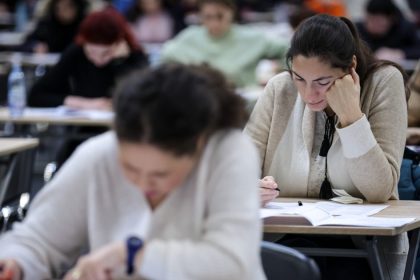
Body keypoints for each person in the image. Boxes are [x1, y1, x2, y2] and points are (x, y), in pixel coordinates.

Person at [0, 63, 265, 280]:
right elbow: (39, 239)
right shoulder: (100, 155)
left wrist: (131, 255)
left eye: (160, 174)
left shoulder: (228, 152)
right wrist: (16, 263)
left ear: (198, 145)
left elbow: (232, 263)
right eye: (129, 168)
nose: (142, 184)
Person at [245, 14, 409, 279]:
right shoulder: (280, 88)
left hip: (363, 248)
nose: (309, 94)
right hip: (284, 240)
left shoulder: (383, 83)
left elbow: (378, 190)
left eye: (323, 82)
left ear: (350, 67)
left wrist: (351, 116)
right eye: (299, 78)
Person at [28, 7, 148, 169]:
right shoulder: (76, 53)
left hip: (123, 136)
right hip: (81, 136)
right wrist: (83, 103)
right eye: (92, 52)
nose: (98, 60)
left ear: (119, 44)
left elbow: (144, 100)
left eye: (106, 53)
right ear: (84, 44)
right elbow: (37, 95)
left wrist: (119, 64)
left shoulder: (133, 57)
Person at [160, 0, 288, 88]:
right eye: (207, 17)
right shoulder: (189, 37)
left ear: (231, 13)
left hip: (244, 106)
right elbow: (164, 58)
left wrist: (279, 76)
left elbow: (289, 50)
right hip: (199, 107)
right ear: (200, 16)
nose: (214, 23)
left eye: (220, 16)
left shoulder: (251, 37)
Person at [21, 0, 89, 53]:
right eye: (58, 7)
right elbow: (27, 43)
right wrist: (35, 46)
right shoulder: (47, 24)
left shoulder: (85, 25)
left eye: (68, 6)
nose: (62, 11)